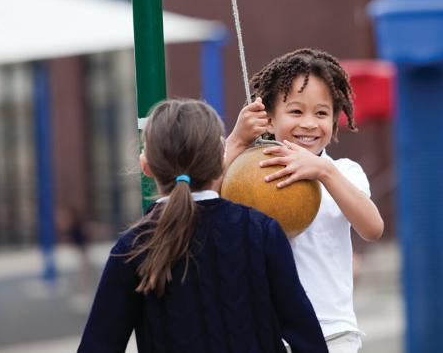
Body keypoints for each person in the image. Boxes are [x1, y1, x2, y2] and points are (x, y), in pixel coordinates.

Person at [78, 99, 327, 353]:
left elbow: (98, 345)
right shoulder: (261, 231)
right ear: (222, 160)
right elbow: (307, 338)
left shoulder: (133, 247)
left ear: (146, 166)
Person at [227, 48, 384, 353]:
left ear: (335, 121)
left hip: (332, 334)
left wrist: (325, 172)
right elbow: (203, 198)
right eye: (296, 112)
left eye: (322, 113)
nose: (310, 123)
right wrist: (235, 141)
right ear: (269, 119)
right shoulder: (246, 169)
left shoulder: (343, 172)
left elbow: (373, 228)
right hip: (266, 335)